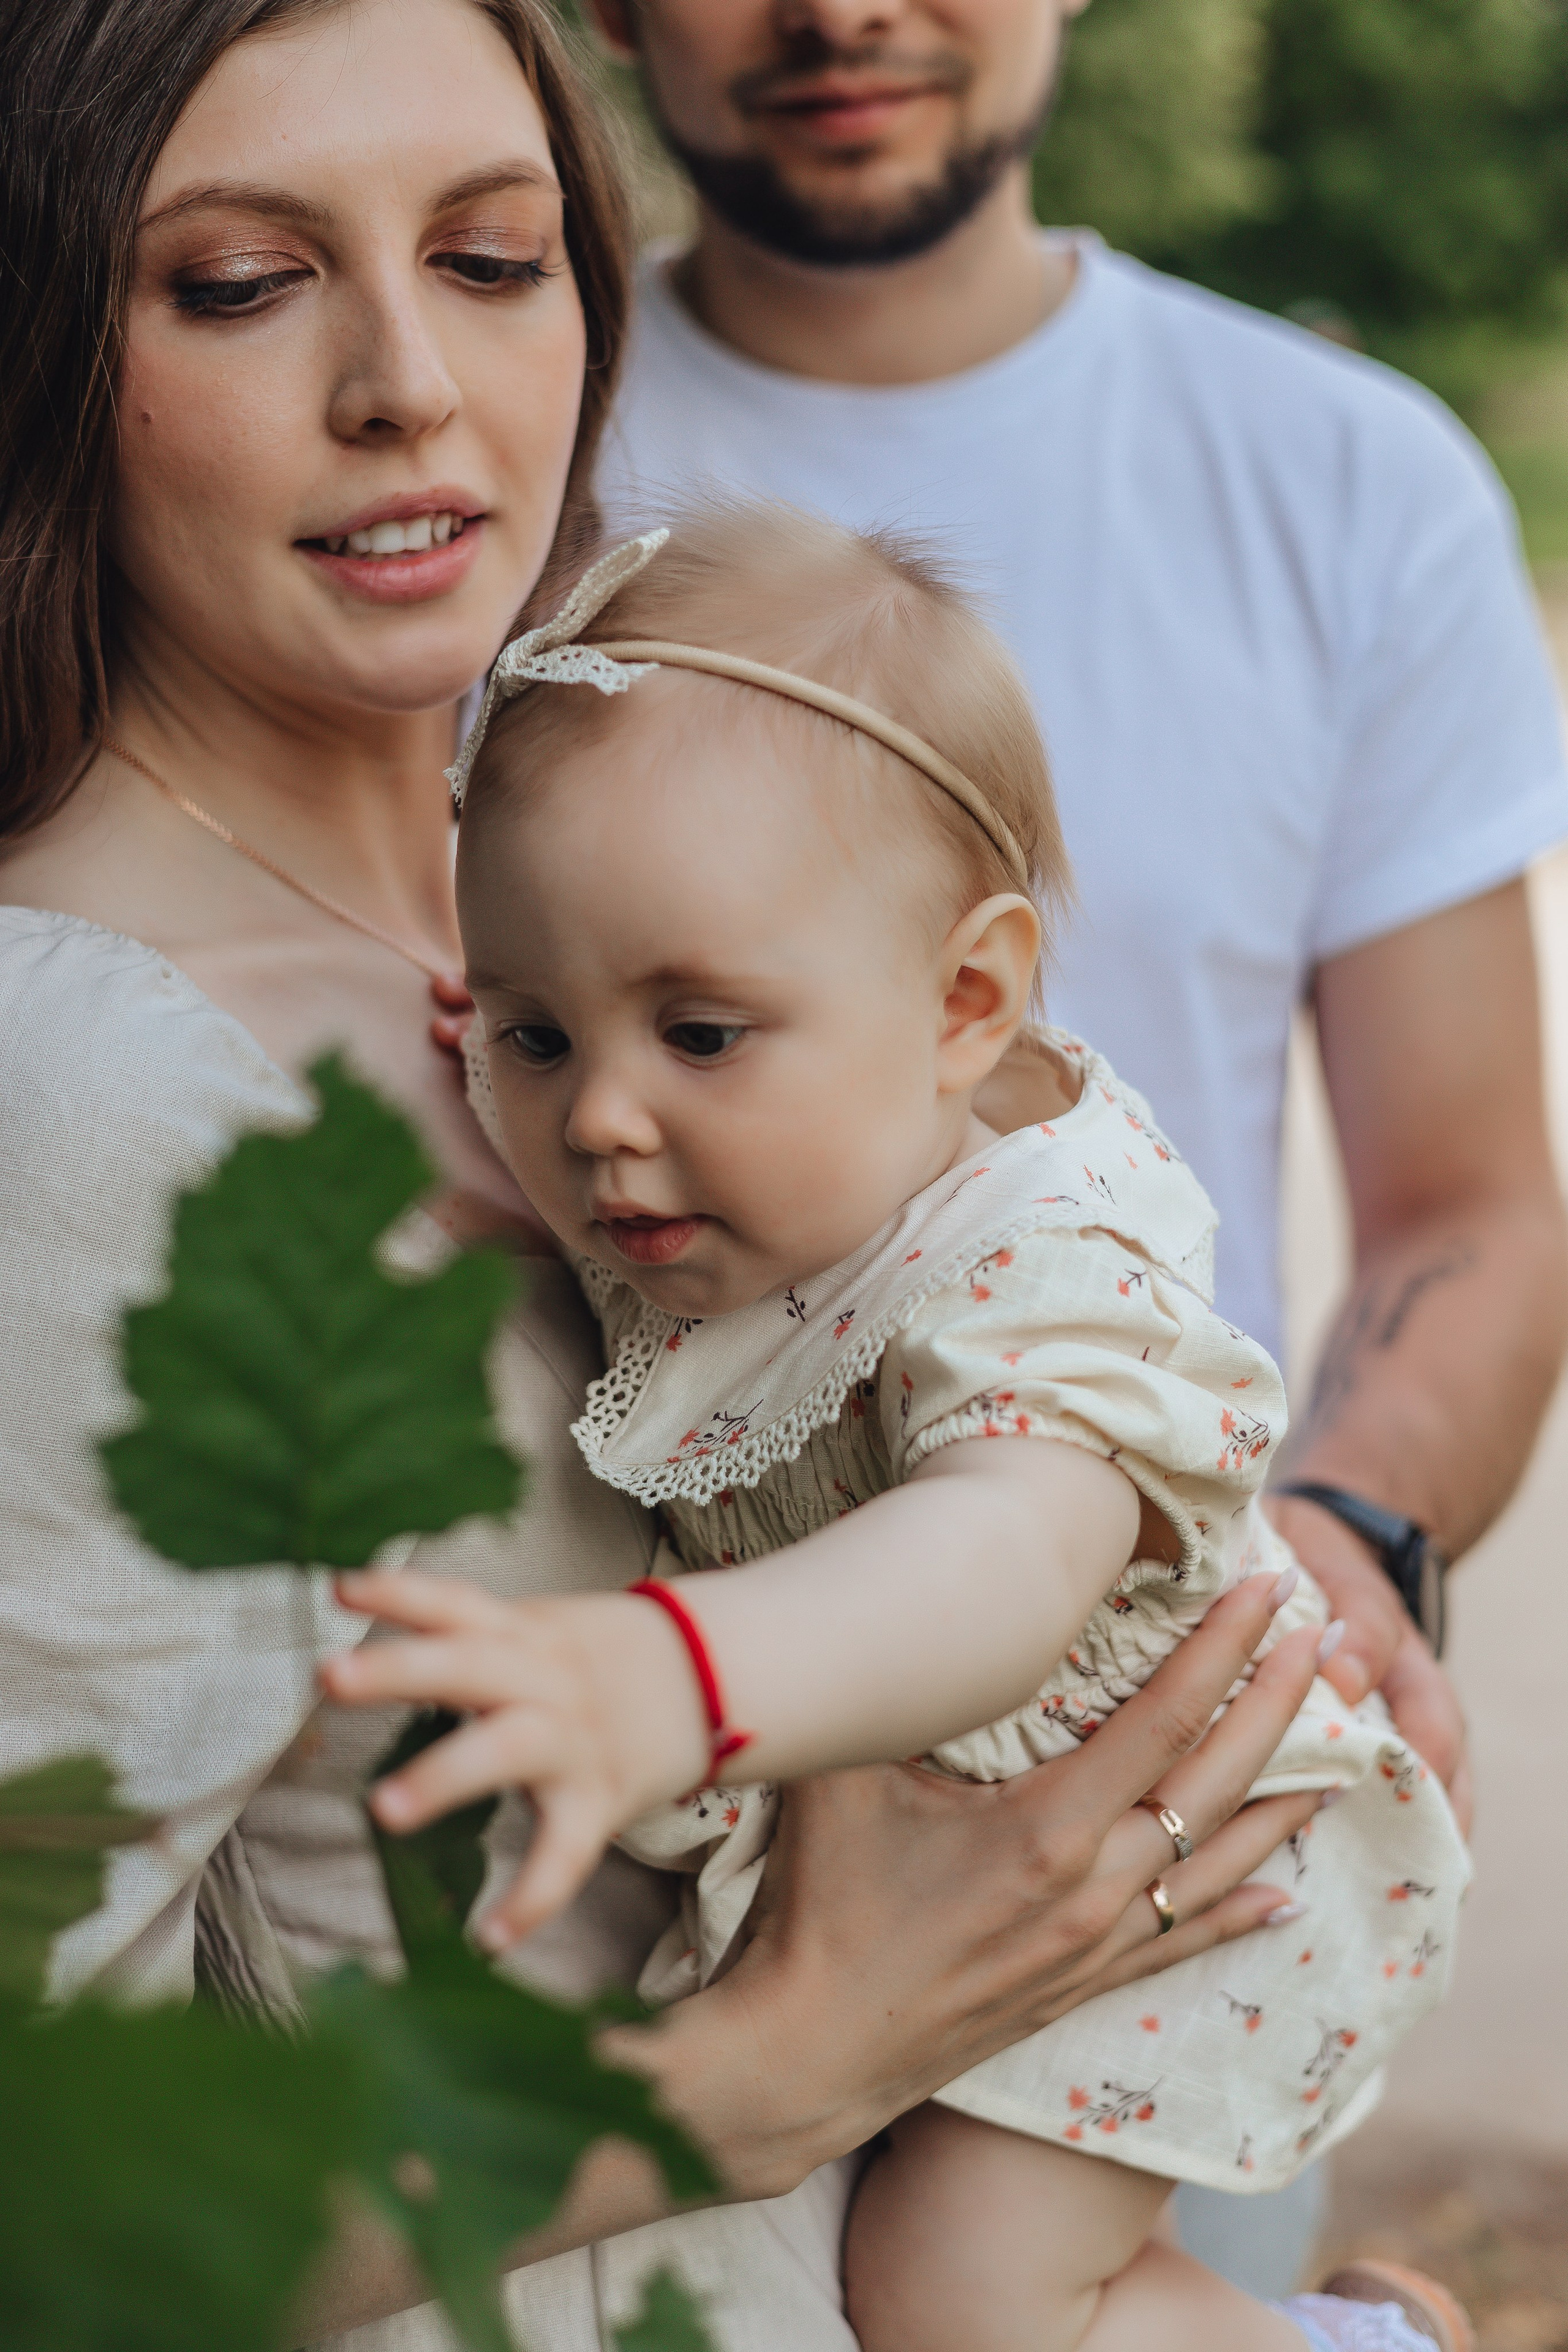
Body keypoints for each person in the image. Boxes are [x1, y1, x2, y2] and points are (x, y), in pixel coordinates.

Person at [0, 1, 1330, 2345]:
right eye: (237, 280)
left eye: (495, 256)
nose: (407, 377)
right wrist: (773, 2064)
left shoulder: (588, 886)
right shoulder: (91, 1101)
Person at [576, 0, 1568, 2290]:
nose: (841, 9)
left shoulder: (1342, 475)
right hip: (629, 1860)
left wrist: (1336, 1542)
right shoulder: (470, 445)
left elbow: (1472, 1205)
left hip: (1116, 1807)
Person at [325, 501, 1468, 2352]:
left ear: (964, 1001)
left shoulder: (1039, 1267)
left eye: (696, 1031)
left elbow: (1002, 1562)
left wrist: (668, 1680)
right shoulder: (729, 1162)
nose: (602, 1118)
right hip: (925, 1858)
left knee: (963, 2303)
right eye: (537, 1031)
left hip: (1146, 1851)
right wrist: (521, 1045)